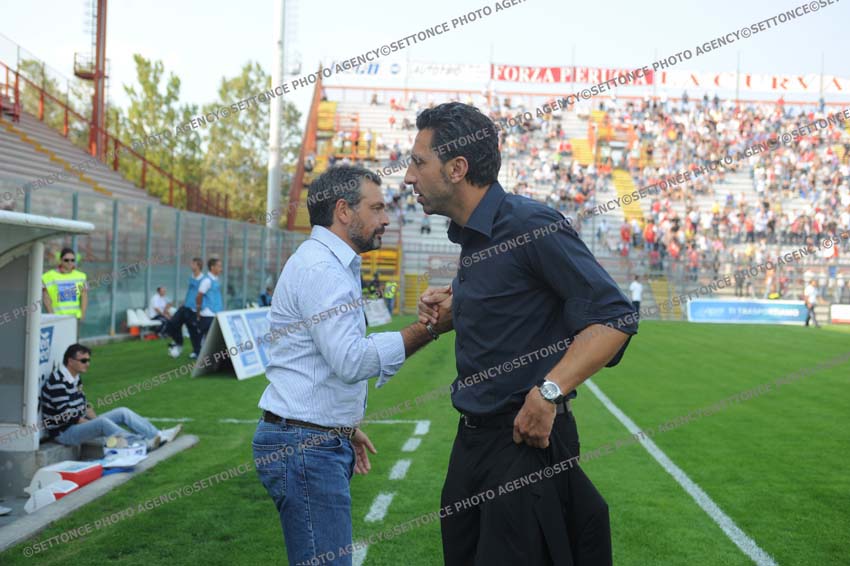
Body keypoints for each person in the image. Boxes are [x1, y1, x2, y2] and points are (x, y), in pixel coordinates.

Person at [408, 102, 637, 566]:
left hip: (524, 443)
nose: (409, 177)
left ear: (457, 168)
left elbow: (614, 317)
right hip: (471, 444)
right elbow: (515, 309)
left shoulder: (530, 224)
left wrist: (549, 392)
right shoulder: (470, 235)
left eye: (418, 162)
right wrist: (457, 309)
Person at [252, 165, 440, 566]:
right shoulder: (322, 269)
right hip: (305, 445)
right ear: (343, 210)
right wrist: (430, 328)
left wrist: (341, 426)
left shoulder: (326, 263)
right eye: (376, 208)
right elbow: (351, 360)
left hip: (309, 437)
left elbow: (316, 362)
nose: (386, 219)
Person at [41, 344, 182, 449]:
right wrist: (97, 425)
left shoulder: (75, 377)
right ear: (70, 361)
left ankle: (158, 435)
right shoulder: (58, 382)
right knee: (102, 423)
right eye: (83, 361)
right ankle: (141, 444)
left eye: (88, 360)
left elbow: (85, 406)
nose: (87, 364)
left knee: (122, 411)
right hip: (64, 433)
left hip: (77, 425)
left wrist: (96, 422)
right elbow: (69, 417)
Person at [166, 258, 204, 358]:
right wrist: (185, 302)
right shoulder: (191, 277)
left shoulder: (203, 280)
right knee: (172, 323)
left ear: (198, 265)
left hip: (195, 309)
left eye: (193, 264)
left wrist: (199, 309)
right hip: (185, 307)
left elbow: (202, 295)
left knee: (193, 331)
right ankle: (179, 343)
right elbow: (190, 292)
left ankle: (197, 352)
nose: (191, 265)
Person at [42, 247, 87, 332]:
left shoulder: (81, 276)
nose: (70, 262)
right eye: (66, 260)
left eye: (72, 260)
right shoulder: (49, 276)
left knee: (74, 341)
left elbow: (84, 297)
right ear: (60, 260)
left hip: (74, 318)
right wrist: (52, 316)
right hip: (58, 318)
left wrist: (82, 314)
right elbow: (46, 297)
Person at [194, 258, 224, 358]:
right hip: (207, 313)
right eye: (219, 266)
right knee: (204, 337)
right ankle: (200, 355)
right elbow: (199, 296)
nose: (221, 269)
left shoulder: (216, 279)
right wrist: (198, 311)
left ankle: (206, 356)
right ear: (212, 267)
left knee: (211, 338)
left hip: (216, 313)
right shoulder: (206, 280)